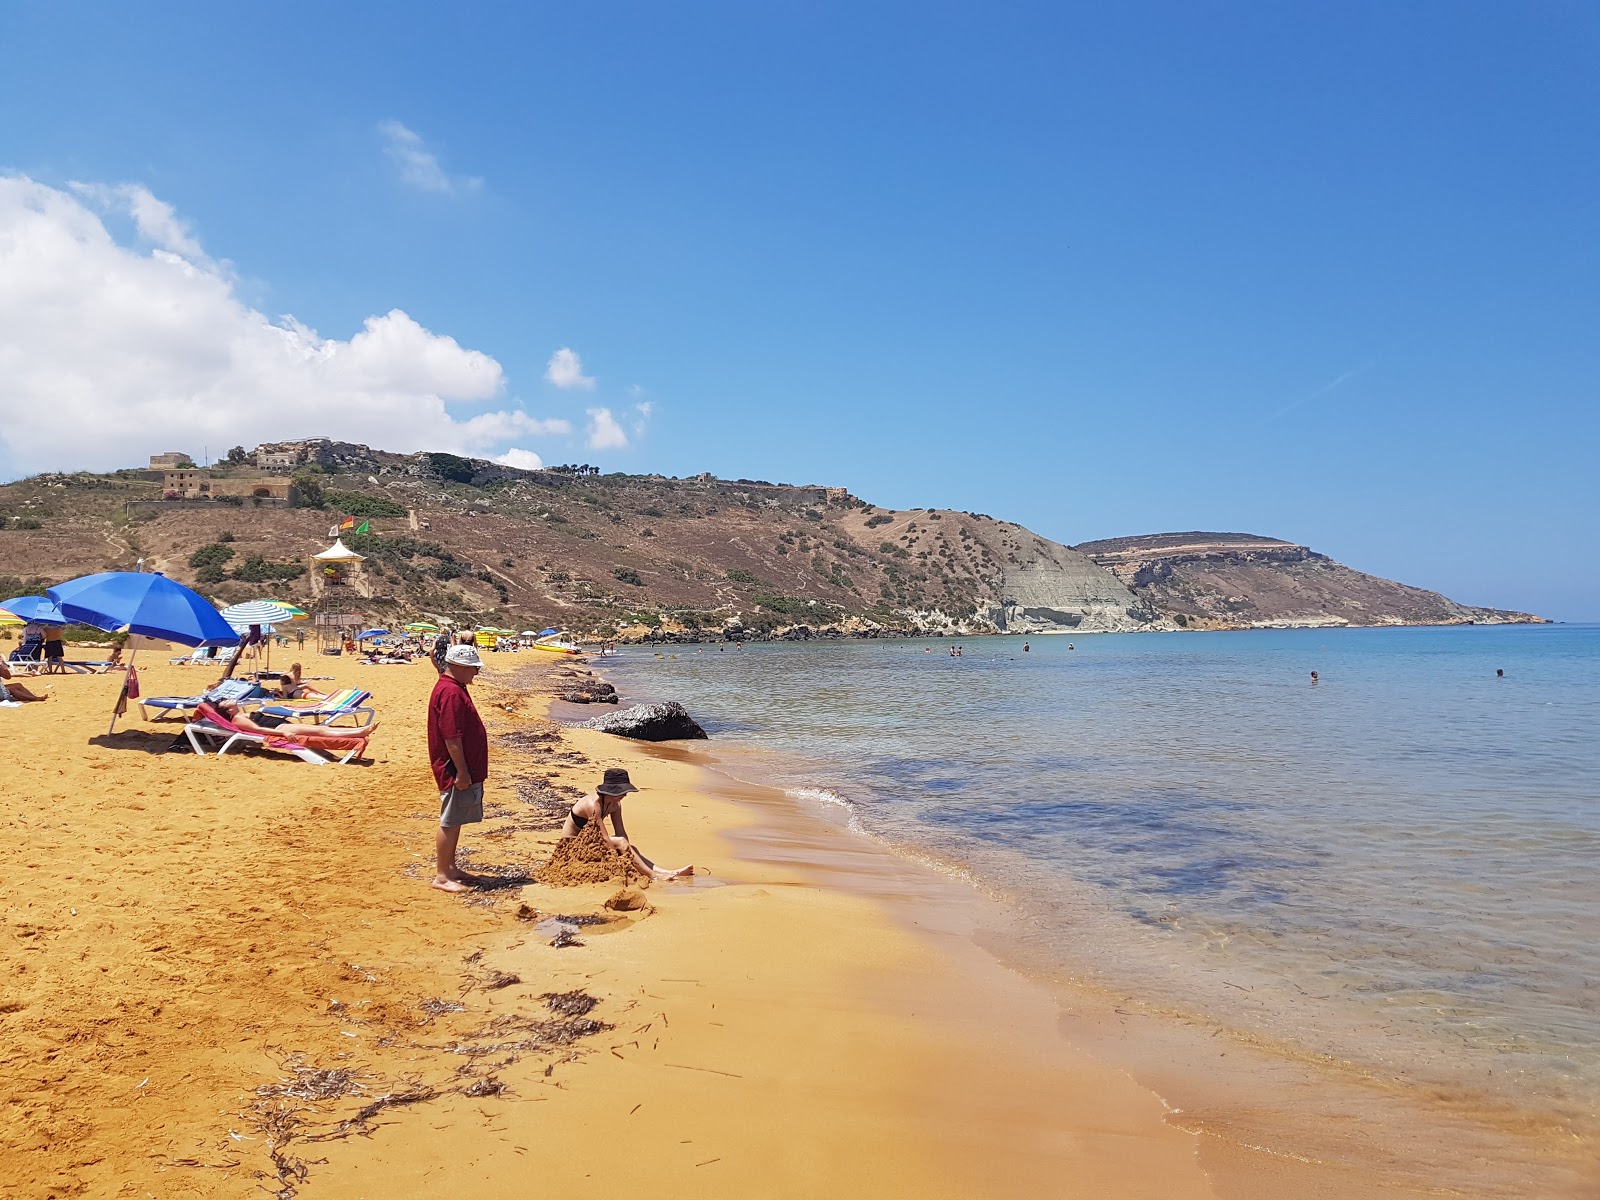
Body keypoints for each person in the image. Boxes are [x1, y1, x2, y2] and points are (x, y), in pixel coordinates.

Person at [427, 643, 489, 893]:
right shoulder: (451, 692)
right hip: (454, 769)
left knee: (456, 818)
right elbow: (452, 737)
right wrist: (462, 771)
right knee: (450, 820)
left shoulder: (454, 687)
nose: (476, 672)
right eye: (474, 668)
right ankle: (442, 876)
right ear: (460, 666)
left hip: (461, 767)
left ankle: (450, 868)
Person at [560, 767, 694, 881]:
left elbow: (621, 831)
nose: (625, 795)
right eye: (622, 792)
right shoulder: (593, 804)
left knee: (630, 847)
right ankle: (654, 876)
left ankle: (665, 872)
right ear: (612, 790)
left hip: (590, 844)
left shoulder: (615, 804)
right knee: (621, 843)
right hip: (571, 847)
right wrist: (618, 859)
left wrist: (627, 851)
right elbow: (605, 838)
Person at [211, 698, 379, 739]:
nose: (229, 699)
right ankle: (358, 733)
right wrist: (282, 734)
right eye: (225, 701)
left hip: (281, 726)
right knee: (320, 730)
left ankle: (357, 731)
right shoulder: (238, 719)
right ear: (227, 708)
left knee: (320, 729)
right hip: (281, 729)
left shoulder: (240, 713)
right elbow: (258, 730)